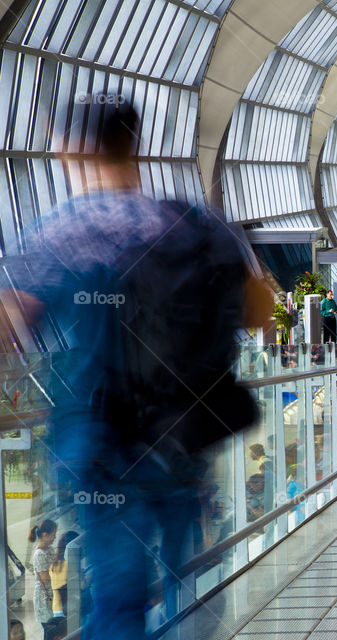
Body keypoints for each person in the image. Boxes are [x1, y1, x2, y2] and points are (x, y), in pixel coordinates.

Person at [5, 99, 269, 640]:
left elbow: (9, 324)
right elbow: (259, 309)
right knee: (185, 580)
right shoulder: (194, 222)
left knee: (119, 591)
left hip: (103, 443)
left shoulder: (65, 231)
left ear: (71, 148)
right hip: (185, 435)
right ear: (135, 142)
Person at [29, 520, 57, 628]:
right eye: (53, 535)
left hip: (53, 595)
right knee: (51, 631)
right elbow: (46, 579)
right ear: (45, 534)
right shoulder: (39, 554)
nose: (54, 537)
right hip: (46, 599)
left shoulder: (50, 549)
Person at [49, 530, 80, 618]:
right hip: (68, 608)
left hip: (57, 608)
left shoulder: (54, 564)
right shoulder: (69, 565)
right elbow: (79, 585)